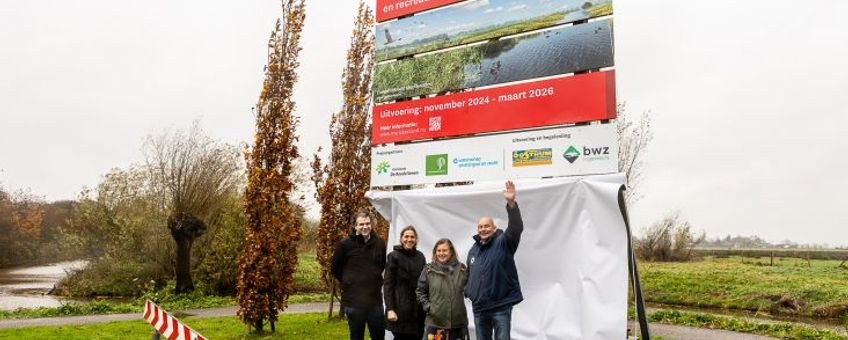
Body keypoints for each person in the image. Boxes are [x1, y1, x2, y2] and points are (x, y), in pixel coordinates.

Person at [464, 180, 524, 340]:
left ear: (494, 228)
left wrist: (511, 204)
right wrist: (469, 292)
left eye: (487, 226)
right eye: (480, 227)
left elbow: (516, 227)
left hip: (501, 306)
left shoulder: (504, 242)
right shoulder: (473, 250)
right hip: (479, 308)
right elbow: (469, 274)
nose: (483, 229)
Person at [331, 210, 387, 340]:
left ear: (372, 224)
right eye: (361, 224)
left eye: (367, 223)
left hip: (375, 301)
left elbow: (381, 265)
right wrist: (348, 281)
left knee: (379, 336)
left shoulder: (379, 243)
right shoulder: (345, 244)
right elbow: (335, 268)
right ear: (355, 226)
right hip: (354, 302)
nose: (365, 227)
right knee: (356, 337)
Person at [416, 238, 469, 340]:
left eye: (444, 250)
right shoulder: (428, 270)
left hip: (458, 323)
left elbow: (471, 288)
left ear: (451, 251)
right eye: (439, 251)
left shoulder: (462, 269)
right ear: (435, 252)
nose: (441, 253)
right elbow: (420, 291)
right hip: (435, 322)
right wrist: (428, 307)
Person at [383, 225, 426, 340]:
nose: (409, 239)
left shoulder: (420, 257)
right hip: (400, 309)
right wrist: (390, 309)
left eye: (412, 237)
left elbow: (425, 282)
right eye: (406, 236)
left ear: (416, 239)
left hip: (418, 310)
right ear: (401, 238)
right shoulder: (393, 256)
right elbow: (388, 285)